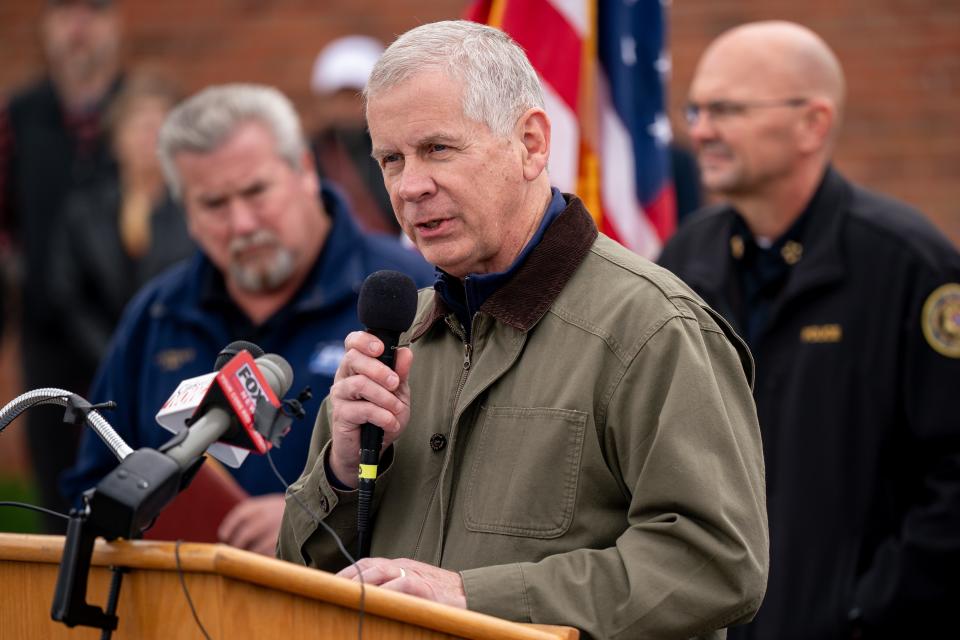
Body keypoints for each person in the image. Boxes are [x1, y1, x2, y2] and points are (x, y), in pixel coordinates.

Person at [277, 20, 768, 639]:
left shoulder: (651, 327)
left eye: (438, 149)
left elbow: (718, 564)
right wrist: (343, 475)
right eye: (391, 159)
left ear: (532, 144)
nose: (410, 186)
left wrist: (471, 596)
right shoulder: (395, 341)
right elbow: (294, 578)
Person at [657, 21, 960, 639]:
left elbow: (952, 482)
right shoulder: (686, 260)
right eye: (697, 107)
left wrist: (865, 609)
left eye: (728, 109)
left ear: (813, 123)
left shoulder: (908, 265)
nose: (702, 129)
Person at [61, 84, 434, 556]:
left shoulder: (404, 295)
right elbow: (90, 484)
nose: (241, 224)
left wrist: (307, 514)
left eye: (256, 191)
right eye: (214, 204)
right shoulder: (158, 312)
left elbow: (445, 489)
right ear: (186, 213)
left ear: (303, 168)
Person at [0, 0, 123, 534]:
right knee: (53, 476)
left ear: (114, 24)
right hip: (48, 327)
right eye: (65, 11)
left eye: (92, 10)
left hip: (120, 318)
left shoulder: (134, 105)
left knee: (126, 462)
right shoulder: (21, 116)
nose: (78, 26)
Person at [48, 70, 195, 385]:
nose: (148, 137)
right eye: (138, 126)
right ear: (115, 138)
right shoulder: (85, 211)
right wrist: (113, 353)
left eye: (159, 125)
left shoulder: (197, 207)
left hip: (183, 367)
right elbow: (67, 295)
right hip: (98, 370)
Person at [308, 35, 398, 236]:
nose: (345, 108)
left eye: (355, 96)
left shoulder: (397, 148)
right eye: (338, 97)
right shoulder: (312, 154)